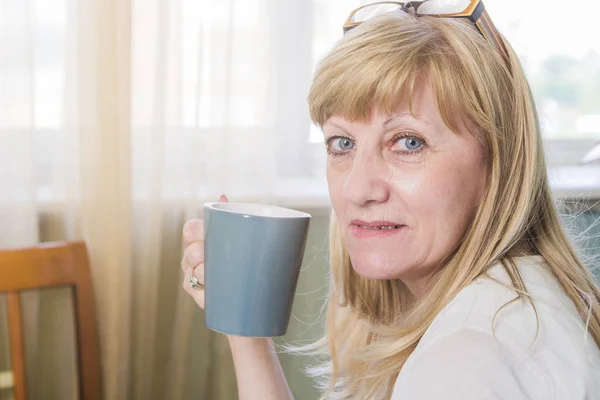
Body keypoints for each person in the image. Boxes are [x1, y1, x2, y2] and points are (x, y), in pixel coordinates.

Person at [180, 1, 600, 399]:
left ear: (499, 159)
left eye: (409, 142)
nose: (357, 189)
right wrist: (245, 331)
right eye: (342, 142)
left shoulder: (467, 359)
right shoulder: (510, 305)